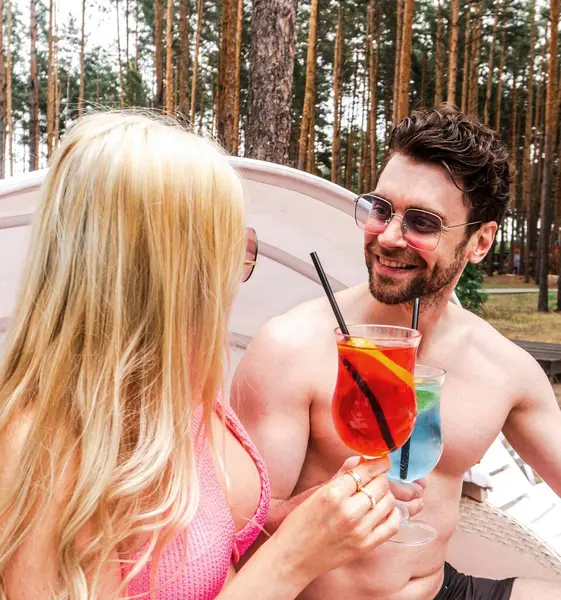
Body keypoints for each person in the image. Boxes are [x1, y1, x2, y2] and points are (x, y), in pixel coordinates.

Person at [0, 112, 404, 600]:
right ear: (163, 274)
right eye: (227, 249)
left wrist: (299, 517)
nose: (237, 271)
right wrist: (295, 556)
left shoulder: (187, 387)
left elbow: (208, 538)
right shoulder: (40, 446)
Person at [232, 105, 561, 600]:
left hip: (442, 590)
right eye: (381, 209)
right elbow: (240, 537)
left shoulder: (505, 370)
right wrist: (323, 510)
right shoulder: (291, 348)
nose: (387, 236)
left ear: (480, 241)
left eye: (422, 222)